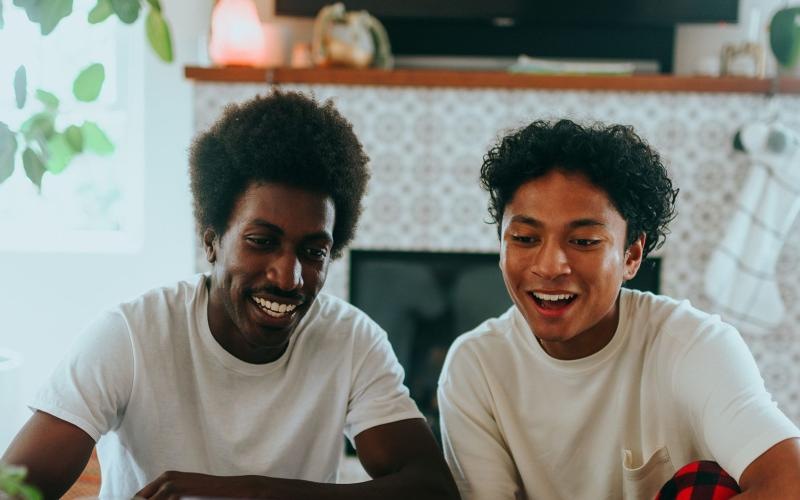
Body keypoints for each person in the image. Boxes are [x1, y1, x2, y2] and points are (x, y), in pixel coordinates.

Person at [2, 91, 460, 500]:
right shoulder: (132, 335)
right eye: (262, 241)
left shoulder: (352, 341)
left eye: (312, 251)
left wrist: (255, 492)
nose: (289, 277)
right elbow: (16, 488)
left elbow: (431, 488)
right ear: (212, 242)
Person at [437, 119, 800, 499]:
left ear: (631, 255)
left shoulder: (694, 345)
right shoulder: (475, 366)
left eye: (583, 241)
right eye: (525, 238)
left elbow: (788, 483)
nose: (549, 266)